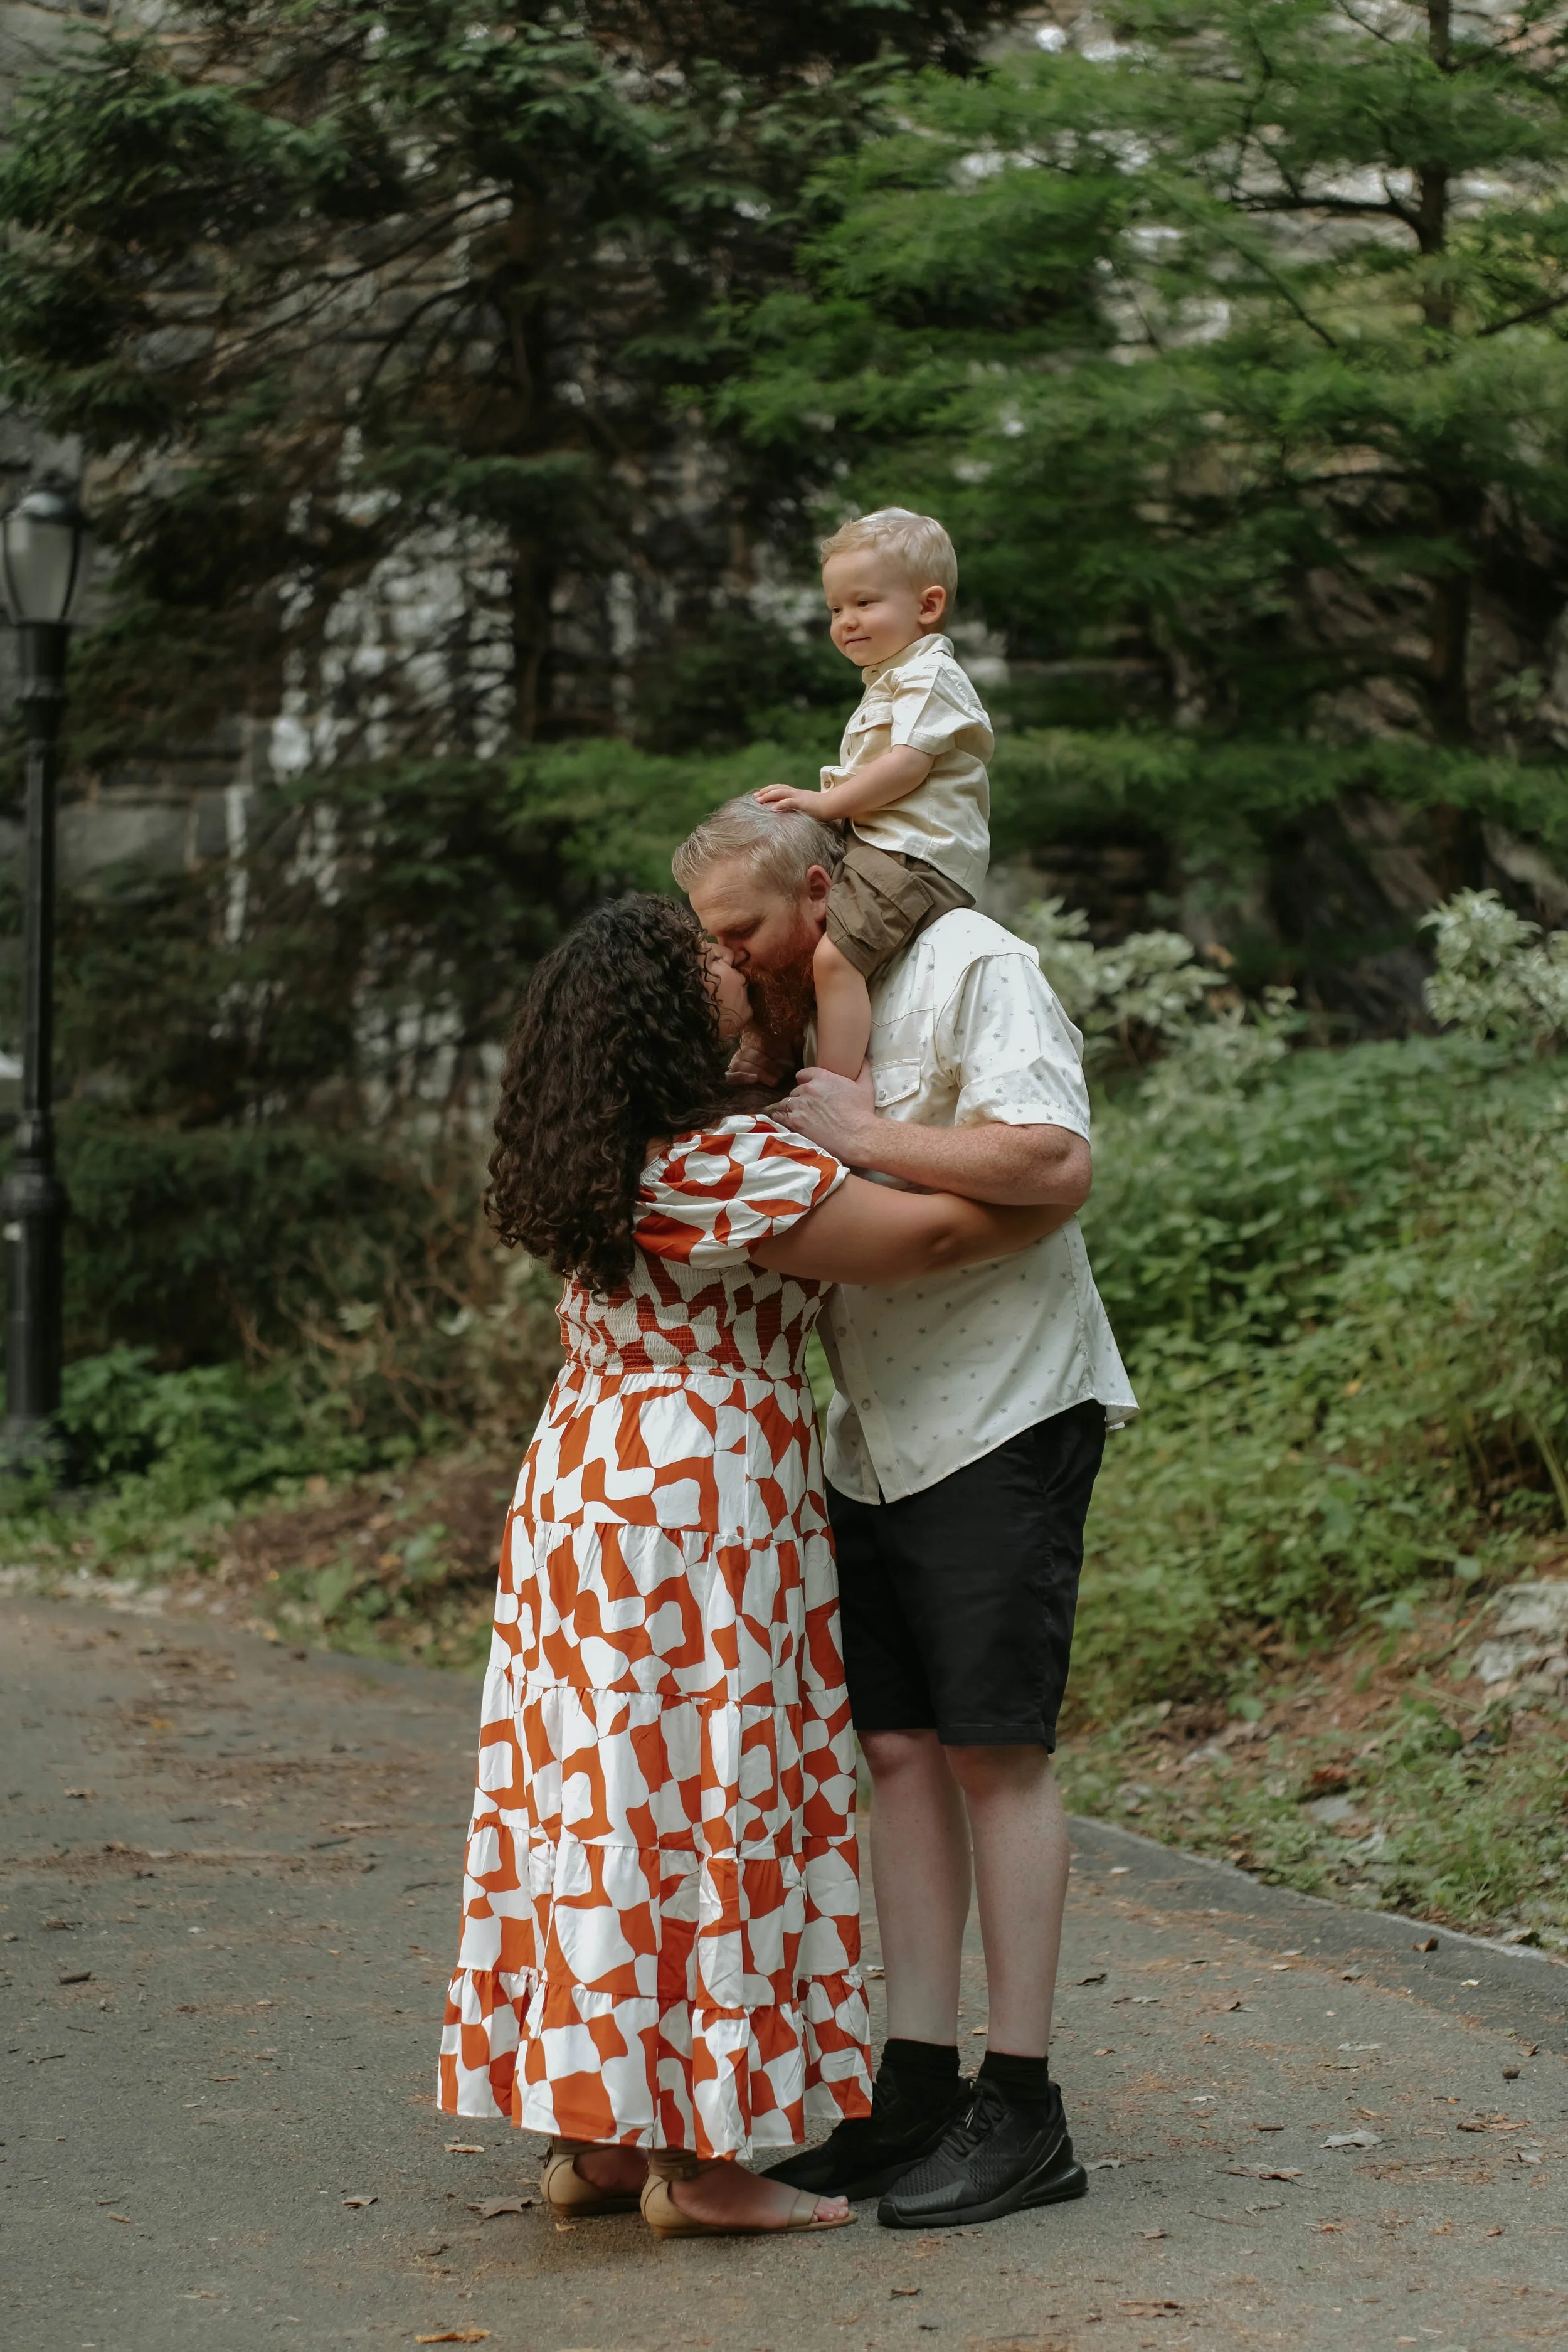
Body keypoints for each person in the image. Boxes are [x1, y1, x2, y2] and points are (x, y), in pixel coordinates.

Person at [437, 893, 1069, 2240]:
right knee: (702, 1800)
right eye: (705, 963)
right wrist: (1045, 1192)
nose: (732, 968)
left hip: (588, 1479)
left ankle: (604, 2138)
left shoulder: (605, 1144)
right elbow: (939, 1238)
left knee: (604, 1802)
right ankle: (711, 2167)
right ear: (668, 1015)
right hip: (695, 1490)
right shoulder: (720, 1165)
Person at [674, 799, 1138, 2232]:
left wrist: (874, 1131)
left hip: (999, 1407)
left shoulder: (973, 964)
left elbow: (1055, 1164)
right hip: (873, 1430)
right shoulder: (802, 1019)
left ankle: (1026, 2102)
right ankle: (920, 2081)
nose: (722, 954)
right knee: (898, 1746)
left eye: (738, 928)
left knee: (997, 1750)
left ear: (814, 890)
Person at [752, 507, 992, 1083]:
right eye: (836, 608)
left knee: (836, 956)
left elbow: (908, 765)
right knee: (785, 922)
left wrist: (825, 804)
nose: (846, 621)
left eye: (864, 603)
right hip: (884, 848)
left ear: (927, 607)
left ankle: (834, 1089)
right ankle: (769, 1054)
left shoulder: (930, 675)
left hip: (919, 854)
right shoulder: (892, 677)